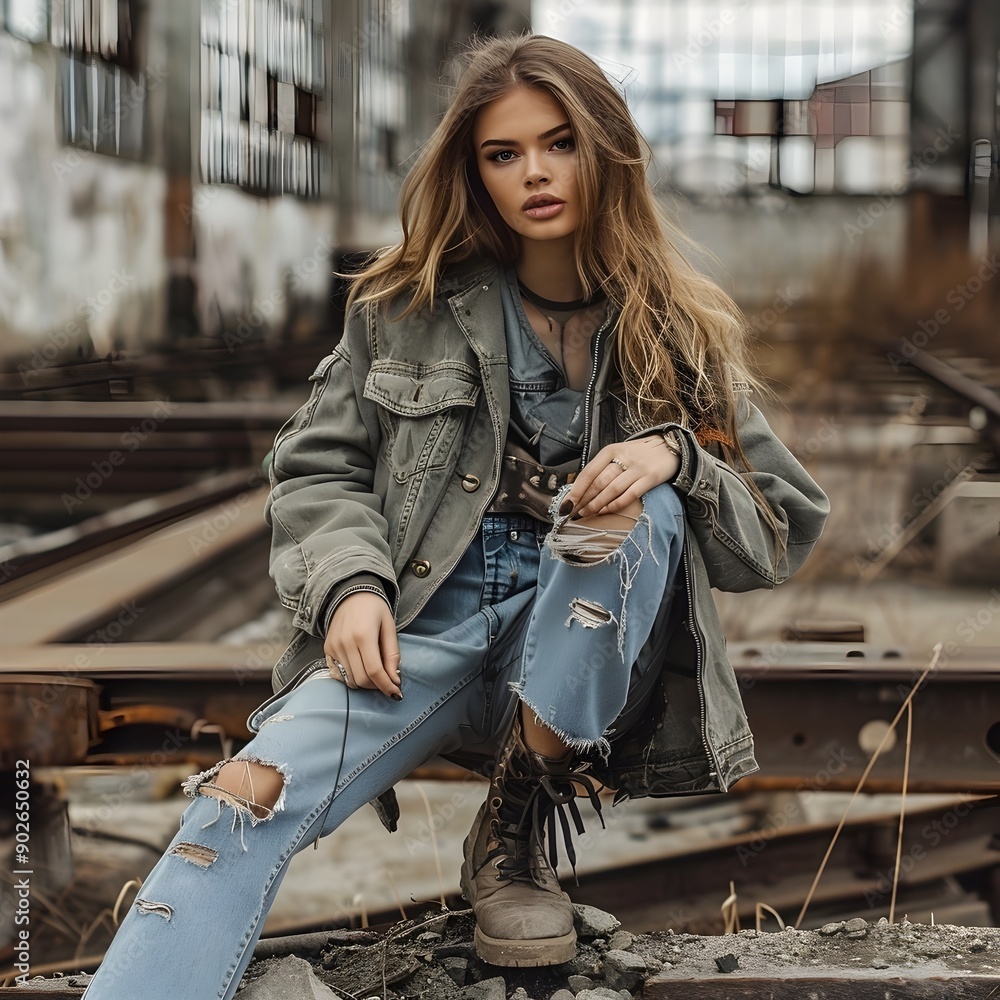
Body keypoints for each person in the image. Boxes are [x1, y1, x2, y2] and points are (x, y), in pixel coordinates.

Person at [83, 32, 829, 999]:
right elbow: (315, 469)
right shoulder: (406, 304)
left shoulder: (673, 333)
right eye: (504, 153)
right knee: (234, 808)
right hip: (421, 633)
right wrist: (350, 584)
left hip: (577, 660)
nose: (536, 174)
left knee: (634, 511)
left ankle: (516, 817)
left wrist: (675, 456)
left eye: (560, 143)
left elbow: (780, 528)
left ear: (605, 148)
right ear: (473, 171)